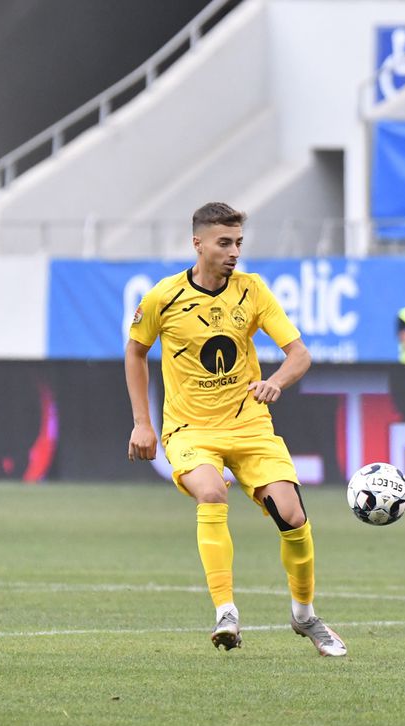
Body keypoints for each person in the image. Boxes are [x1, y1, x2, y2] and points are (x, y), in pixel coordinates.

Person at [125, 202, 346, 657]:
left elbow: (299, 354)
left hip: (249, 426)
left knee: (293, 516)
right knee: (211, 491)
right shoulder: (162, 298)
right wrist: (142, 423)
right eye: (224, 243)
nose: (233, 252)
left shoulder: (252, 291)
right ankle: (226, 612)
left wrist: (275, 382)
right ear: (198, 243)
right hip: (190, 429)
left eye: (238, 243)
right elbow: (134, 352)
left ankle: (304, 615)